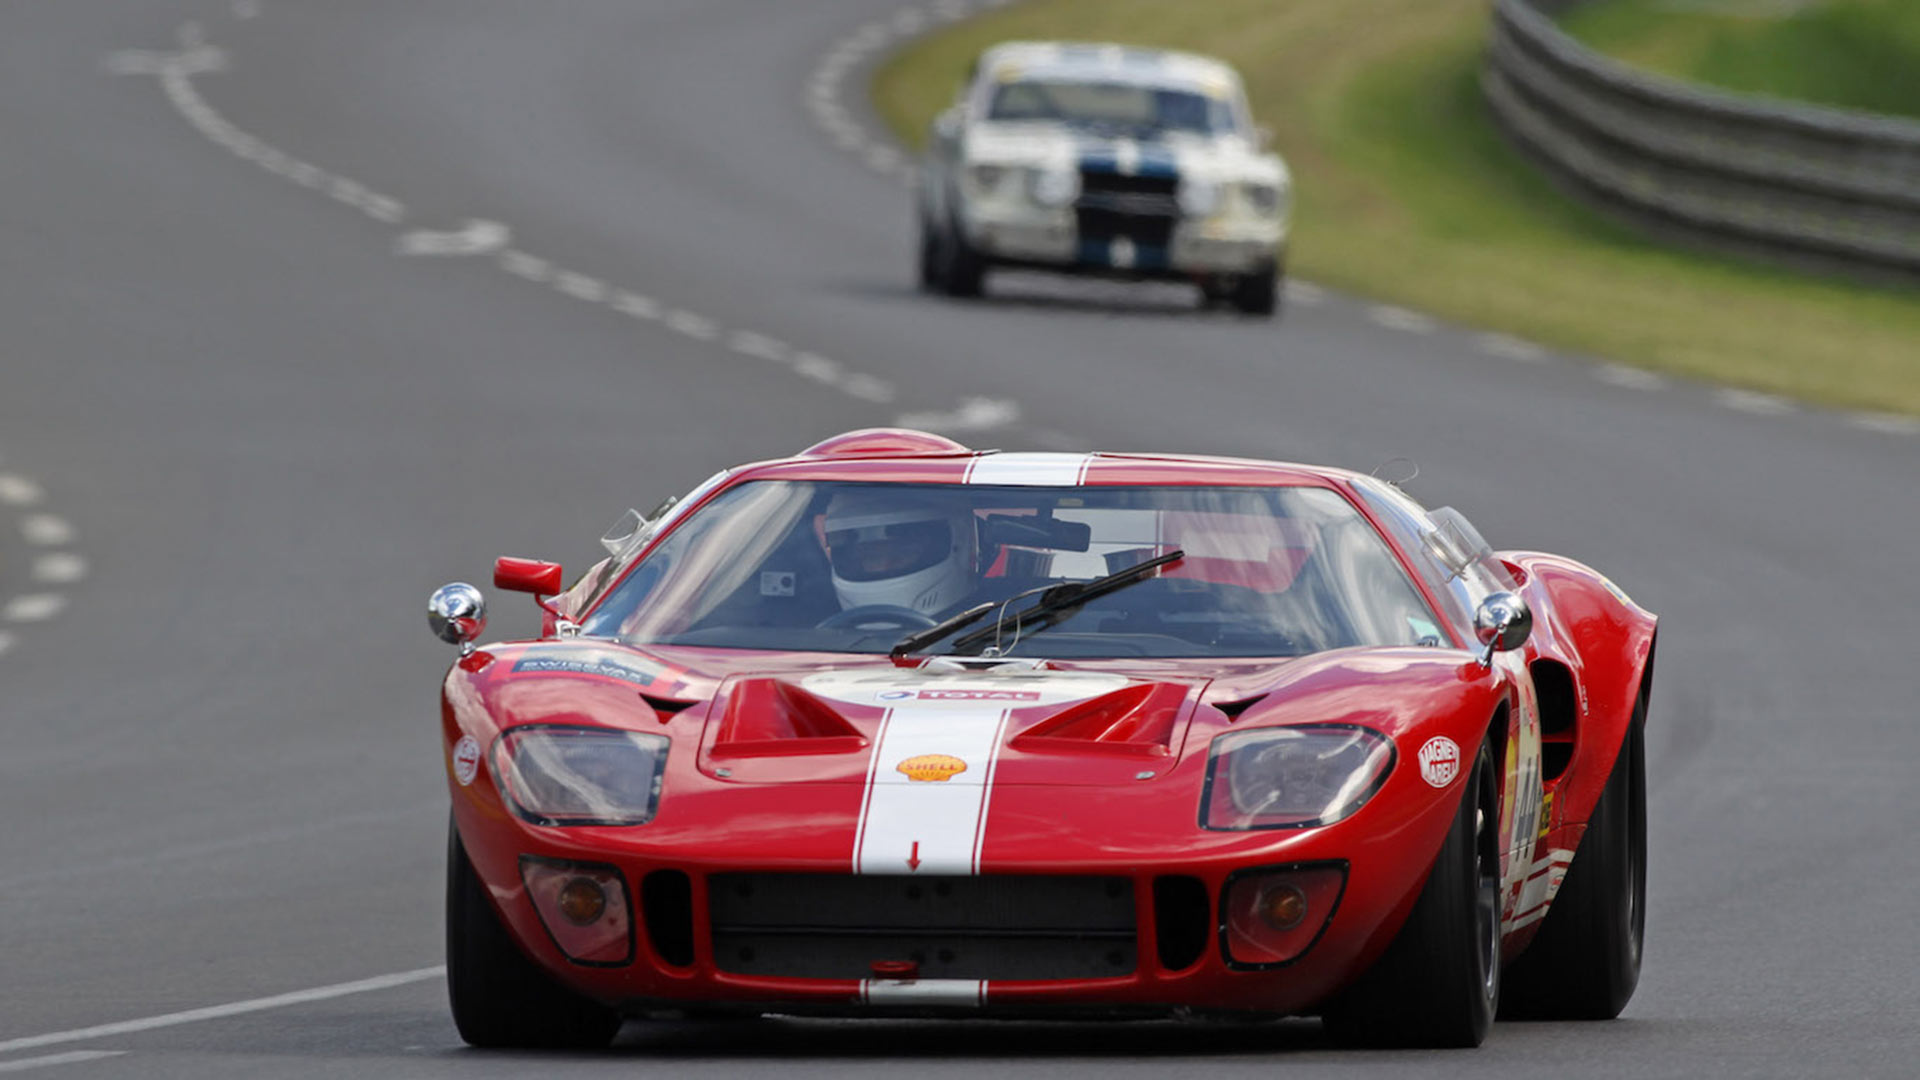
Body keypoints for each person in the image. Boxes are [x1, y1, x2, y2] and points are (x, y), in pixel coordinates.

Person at [820, 492, 977, 616]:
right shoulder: (809, 632)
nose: (880, 566)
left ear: (959, 540)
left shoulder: (992, 630)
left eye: (899, 553)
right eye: (869, 557)